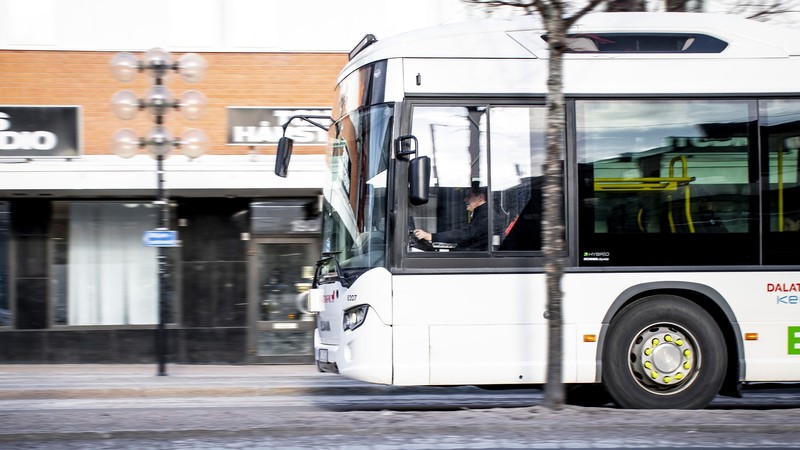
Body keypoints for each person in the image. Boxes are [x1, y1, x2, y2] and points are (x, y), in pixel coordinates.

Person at [413, 186, 488, 250]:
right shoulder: (483, 214)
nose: (465, 200)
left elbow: (466, 234)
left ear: (480, 198)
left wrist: (430, 236)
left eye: (469, 196)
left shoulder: (486, 216)